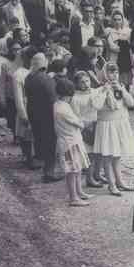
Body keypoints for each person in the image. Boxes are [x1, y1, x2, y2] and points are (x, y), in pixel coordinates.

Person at [94, 63, 134, 196]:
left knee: (117, 155)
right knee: (107, 156)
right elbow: (97, 105)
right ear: (105, 74)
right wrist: (105, 91)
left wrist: (122, 90)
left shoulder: (121, 87)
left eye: (116, 72)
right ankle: (111, 185)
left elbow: (131, 103)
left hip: (120, 123)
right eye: (111, 72)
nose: (114, 75)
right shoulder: (100, 89)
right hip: (107, 125)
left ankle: (120, 181)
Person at [53, 78, 93, 207]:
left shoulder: (58, 104)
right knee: (72, 170)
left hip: (72, 141)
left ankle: (79, 192)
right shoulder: (63, 108)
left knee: (78, 168)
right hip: (69, 143)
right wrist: (84, 122)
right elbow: (79, 124)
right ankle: (73, 198)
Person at [25, 52, 60, 182]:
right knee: (50, 143)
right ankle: (49, 172)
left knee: (39, 140)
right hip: (47, 115)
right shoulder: (47, 80)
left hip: (33, 114)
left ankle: (39, 161)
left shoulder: (29, 77)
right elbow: (53, 99)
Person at [71, 70, 107, 187]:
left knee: (100, 152)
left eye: (87, 81)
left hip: (98, 124)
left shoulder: (93, 91)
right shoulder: (75, 98)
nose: (86, 84)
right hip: (86, 127)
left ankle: (98, 173)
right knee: (90, 154)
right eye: (82, 82)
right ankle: (89, 178)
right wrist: (84, 126)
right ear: (76, 84)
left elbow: (101, 92)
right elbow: (76, 116)